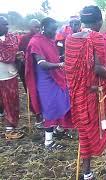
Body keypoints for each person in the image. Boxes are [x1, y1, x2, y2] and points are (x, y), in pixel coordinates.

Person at [64, 6, 106, 180]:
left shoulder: (70, 39)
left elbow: (70, 70)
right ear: (98, 21)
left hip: (78, 96)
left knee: (84, 133)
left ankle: (87, 174)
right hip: (97, 96)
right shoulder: (96, 37)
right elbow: (98, 68)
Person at [25, 17, 73, 150]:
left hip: (57, 77)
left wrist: (61, 58)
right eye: (52, 29)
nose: (54, 32)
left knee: (64, 102)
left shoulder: (50, 40)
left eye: (55, 29)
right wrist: (60, 64)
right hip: (45, 81)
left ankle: (59, 130)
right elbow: (42, 63)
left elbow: (53, 57)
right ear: (44, 28)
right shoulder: (35, 42)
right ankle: (48, 142)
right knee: (50, 108)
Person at [0, 16, 23, 139]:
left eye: (7, 24)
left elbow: (13, 54)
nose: (7, 27)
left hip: (8, 76)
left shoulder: (12, 38)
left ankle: (10, 129)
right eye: (4, 24)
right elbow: (7, 56)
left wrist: (18, 56)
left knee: (11, 102)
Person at [18, 19, 43, 128]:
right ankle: (37, 116)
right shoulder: (25, 39)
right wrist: (24, 59)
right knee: (31, 92)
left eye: (39, 27)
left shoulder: (42, 38)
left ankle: (43, 113)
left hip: (40, 70)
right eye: (36, 27)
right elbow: (20, 55)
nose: (38, 29)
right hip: (28, 70)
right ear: (30, 27)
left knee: (41, 91)